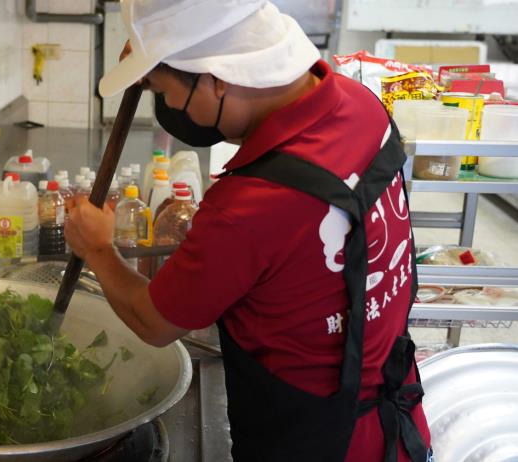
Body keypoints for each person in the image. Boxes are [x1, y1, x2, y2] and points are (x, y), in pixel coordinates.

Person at [64, 1, 432, 461]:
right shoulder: (358, 105)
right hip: (394, 420)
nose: (170, 107)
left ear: (218, 78)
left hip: (315, 443)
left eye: (166, 91)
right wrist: (159, 61)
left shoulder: (251, 205)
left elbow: (154, 322)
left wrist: (98, 248)